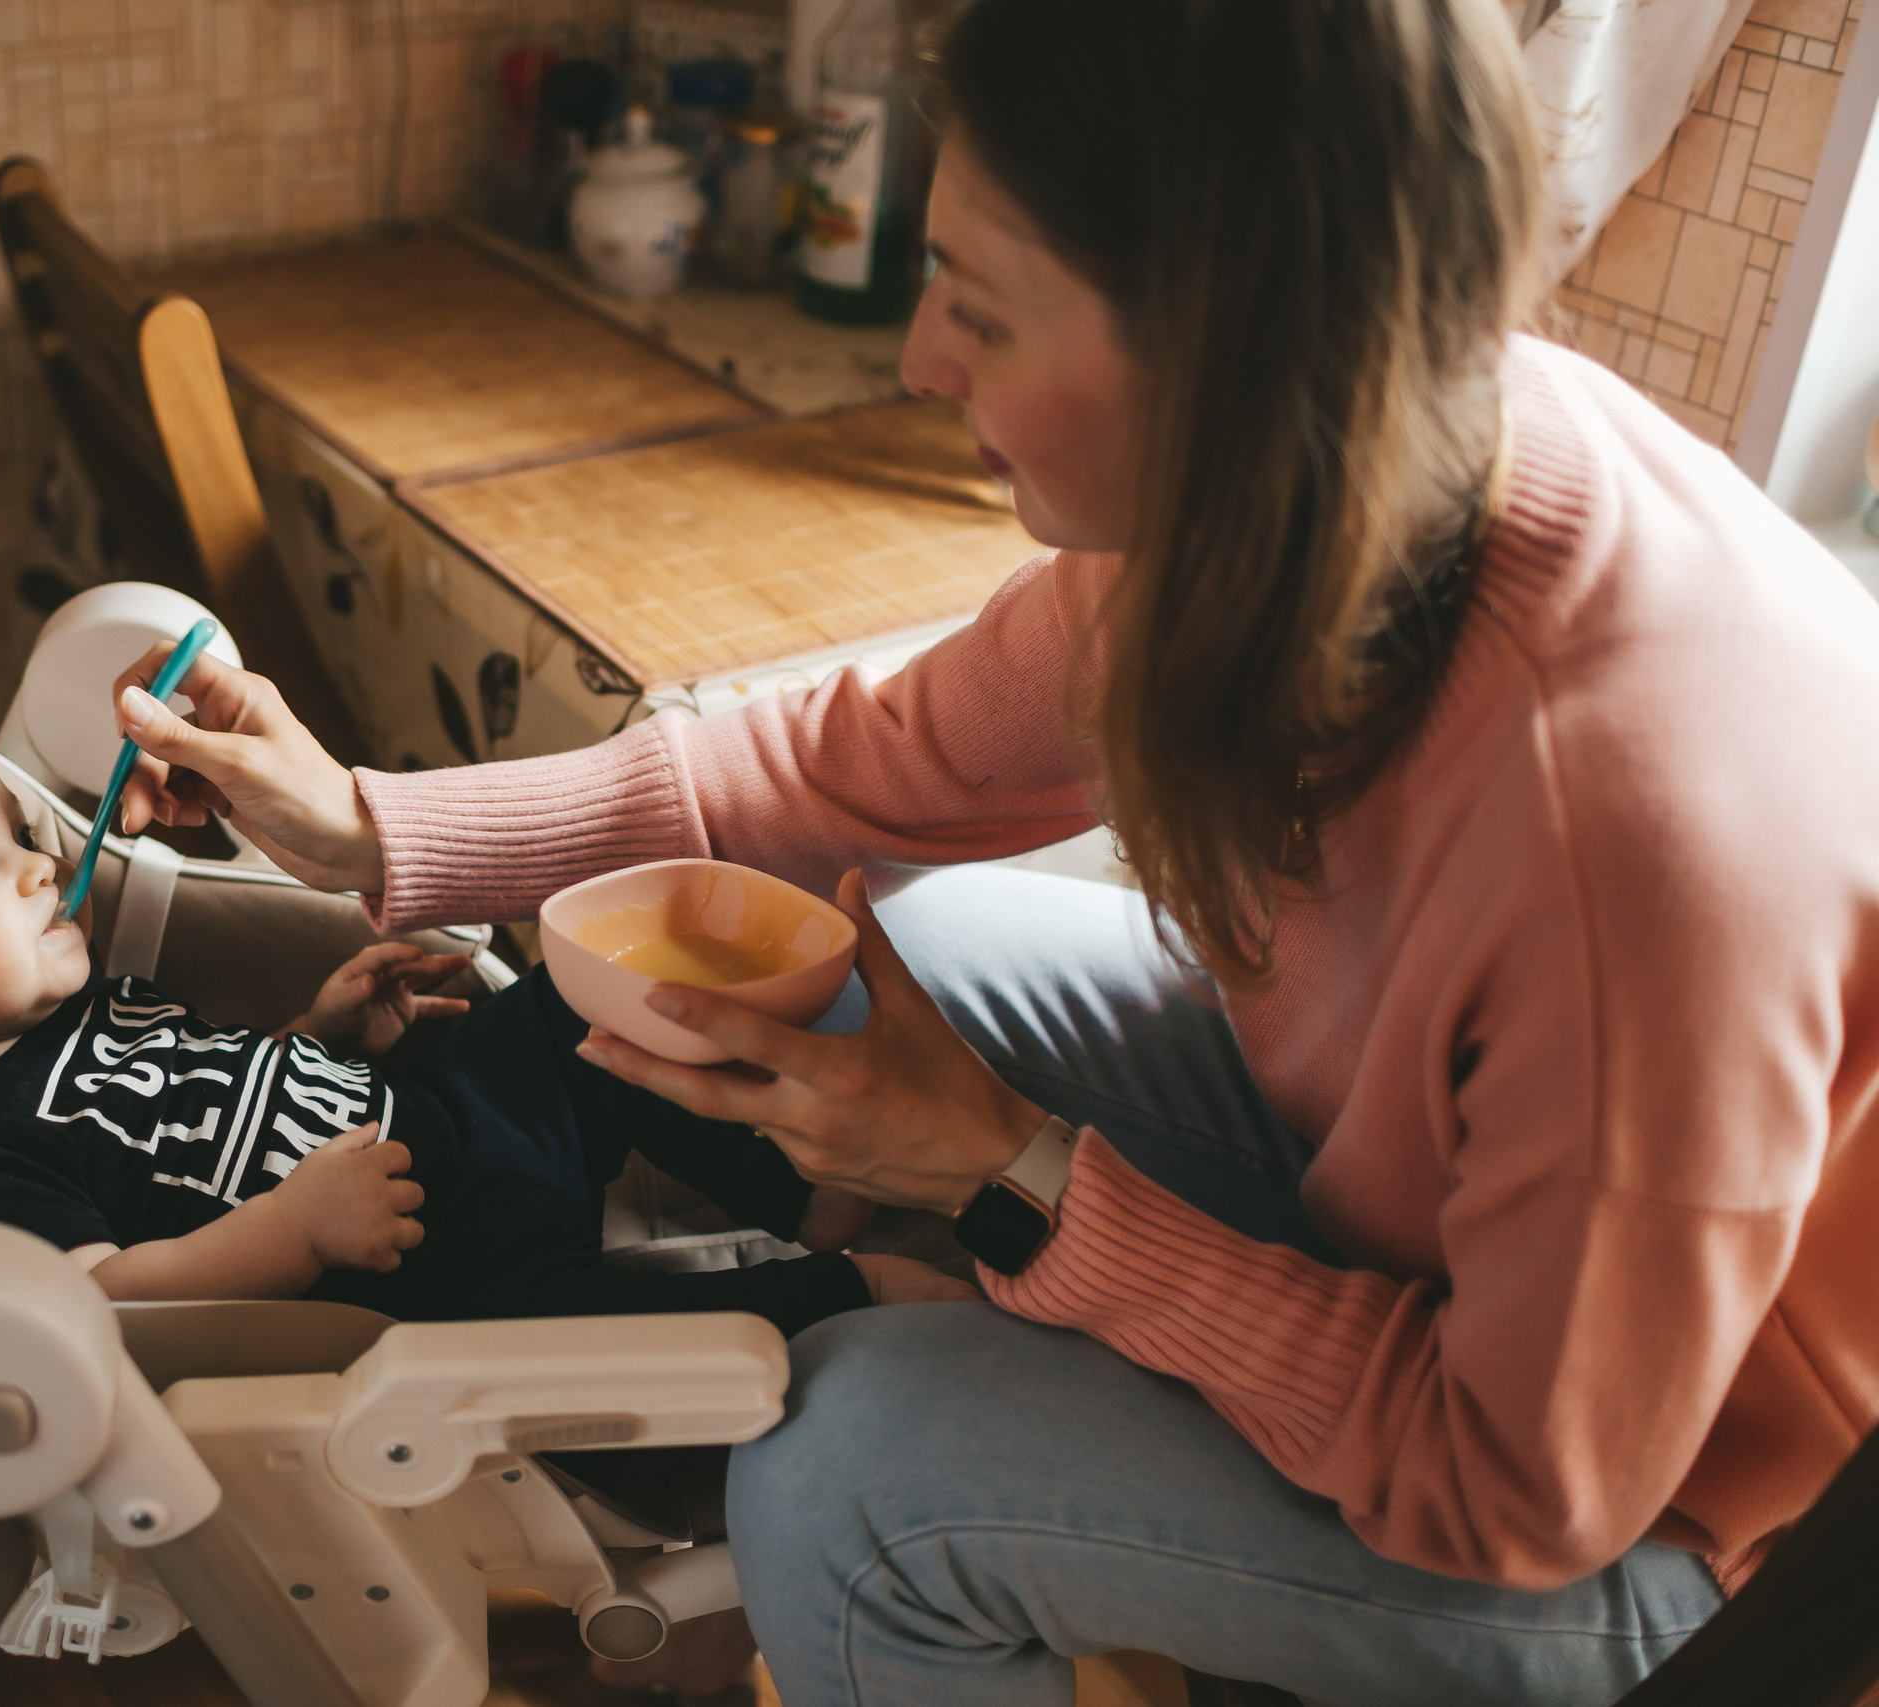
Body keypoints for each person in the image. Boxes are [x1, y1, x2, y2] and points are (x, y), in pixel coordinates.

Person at [92, 0, 1879, 1698]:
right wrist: (364, 825)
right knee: (871, 944)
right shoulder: (1312, 476)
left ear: (1226, 344)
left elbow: (1521, 1488)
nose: (921, 357)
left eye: (982, 306)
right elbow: (850, 771)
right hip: (1415, 1217)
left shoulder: (1631, 838)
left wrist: (1017, 1179)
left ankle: (916, 1460)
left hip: (1671, 1533)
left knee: (849, 1463)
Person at [0, 722, 970, 1328]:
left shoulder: (74, 1008)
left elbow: (225, 1094)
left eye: (18, 841)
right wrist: (290, 1232)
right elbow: (99, 1299)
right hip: (431, 1266)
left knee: (572, 1017)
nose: (37, 868)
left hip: (440, 1112)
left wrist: (328, 1036)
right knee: (591, 1335)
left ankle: (797, 1190)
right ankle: (846, 1293)